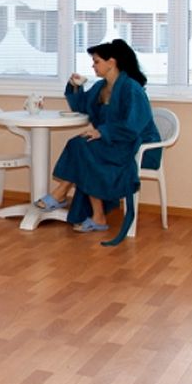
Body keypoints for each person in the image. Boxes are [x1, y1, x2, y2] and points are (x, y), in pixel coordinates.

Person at [35, 39, 160, 245]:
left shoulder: (132, 89)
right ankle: (93, 214)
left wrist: (102, 132)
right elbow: (83, 105)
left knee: (82, 147)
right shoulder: (101, 87)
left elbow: (133, 126)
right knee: (80, 145)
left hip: (134, 146)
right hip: (112, 142)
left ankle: (62, 195)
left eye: (96, 61)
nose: (93, 66)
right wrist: (75, 86)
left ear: (111, 62)